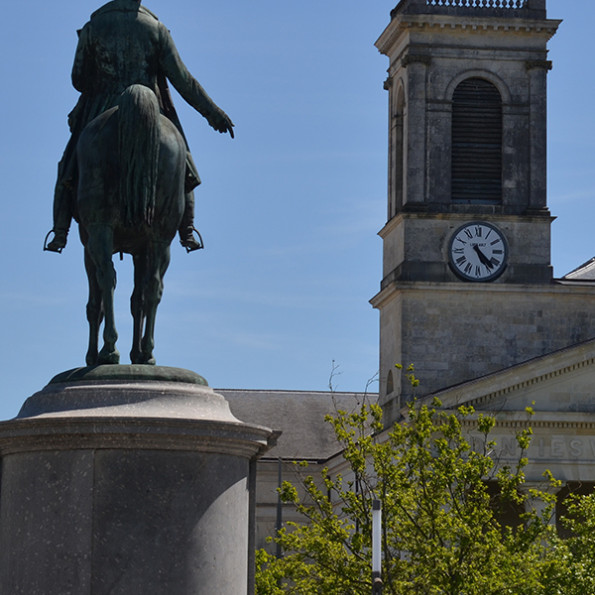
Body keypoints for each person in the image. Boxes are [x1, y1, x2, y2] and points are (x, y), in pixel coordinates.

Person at [45, 0, 234, 253]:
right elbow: (183, 80)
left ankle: (60, 231)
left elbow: (78, 79)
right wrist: (214, 114)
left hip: (101, 106)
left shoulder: (94, 25)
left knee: (68, 166)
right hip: (150, 108)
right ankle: (187, 230)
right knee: (184, 163)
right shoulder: (156, 28)